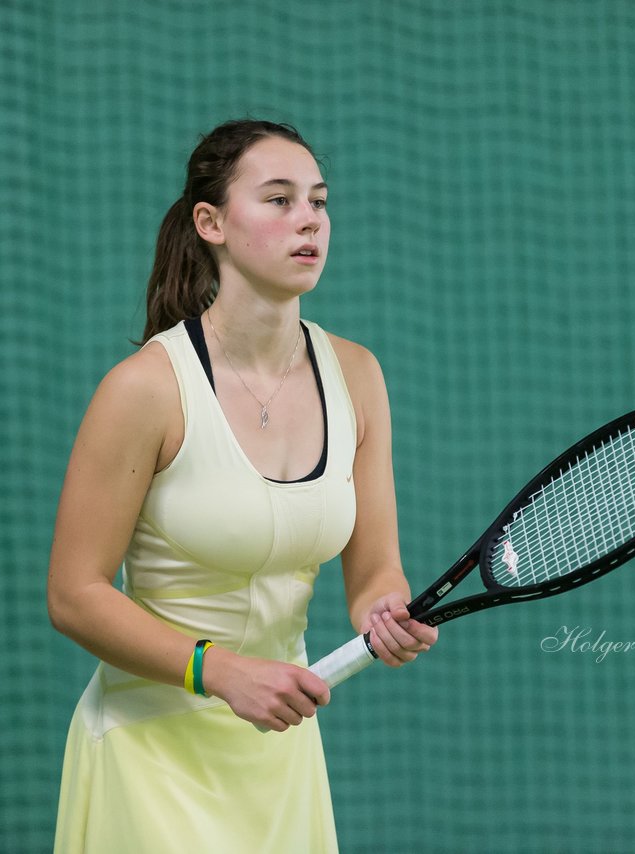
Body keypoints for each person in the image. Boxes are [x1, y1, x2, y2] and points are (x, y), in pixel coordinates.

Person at [46, 118, 438, 852]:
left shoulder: (358, 375)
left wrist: (384, 607)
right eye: (279, 200)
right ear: (212, 222)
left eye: (318, 202)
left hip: (281, 759)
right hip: (149, 759)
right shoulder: (144, 390)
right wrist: (218, 672)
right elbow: (74, 596)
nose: (308, 221)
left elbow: (374, 567)